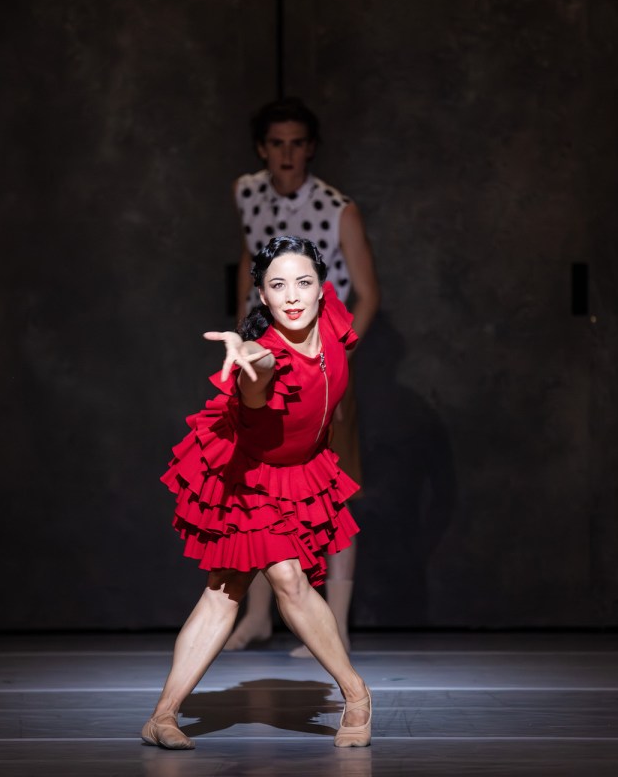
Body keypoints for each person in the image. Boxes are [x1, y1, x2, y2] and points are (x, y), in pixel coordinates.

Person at [143, 236, 372, 749]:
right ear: (262, 298)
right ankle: (357, 695)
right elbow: (259, 373)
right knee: (283, 576)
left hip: (298, 467)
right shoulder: (266, 357)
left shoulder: (332, 316)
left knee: (223, 592)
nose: (292, 296)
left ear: (323, 289)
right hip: (246, 473)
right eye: (278, 286)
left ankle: (161, 715)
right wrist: (248, 354)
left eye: (303, 283)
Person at [227, 97, 380, 656]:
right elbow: (251, 270)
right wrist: (245, 344)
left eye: (297, 143)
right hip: (265, 363)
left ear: (311, 147)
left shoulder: (338, 208)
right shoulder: (246, 193)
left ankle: (334, 623)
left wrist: (334, 355)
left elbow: (367, 293)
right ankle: (260, 614)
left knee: (334, 490)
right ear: (262, 149)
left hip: (321, 366)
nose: (287, 155)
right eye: (277, 144)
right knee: (259, 486)